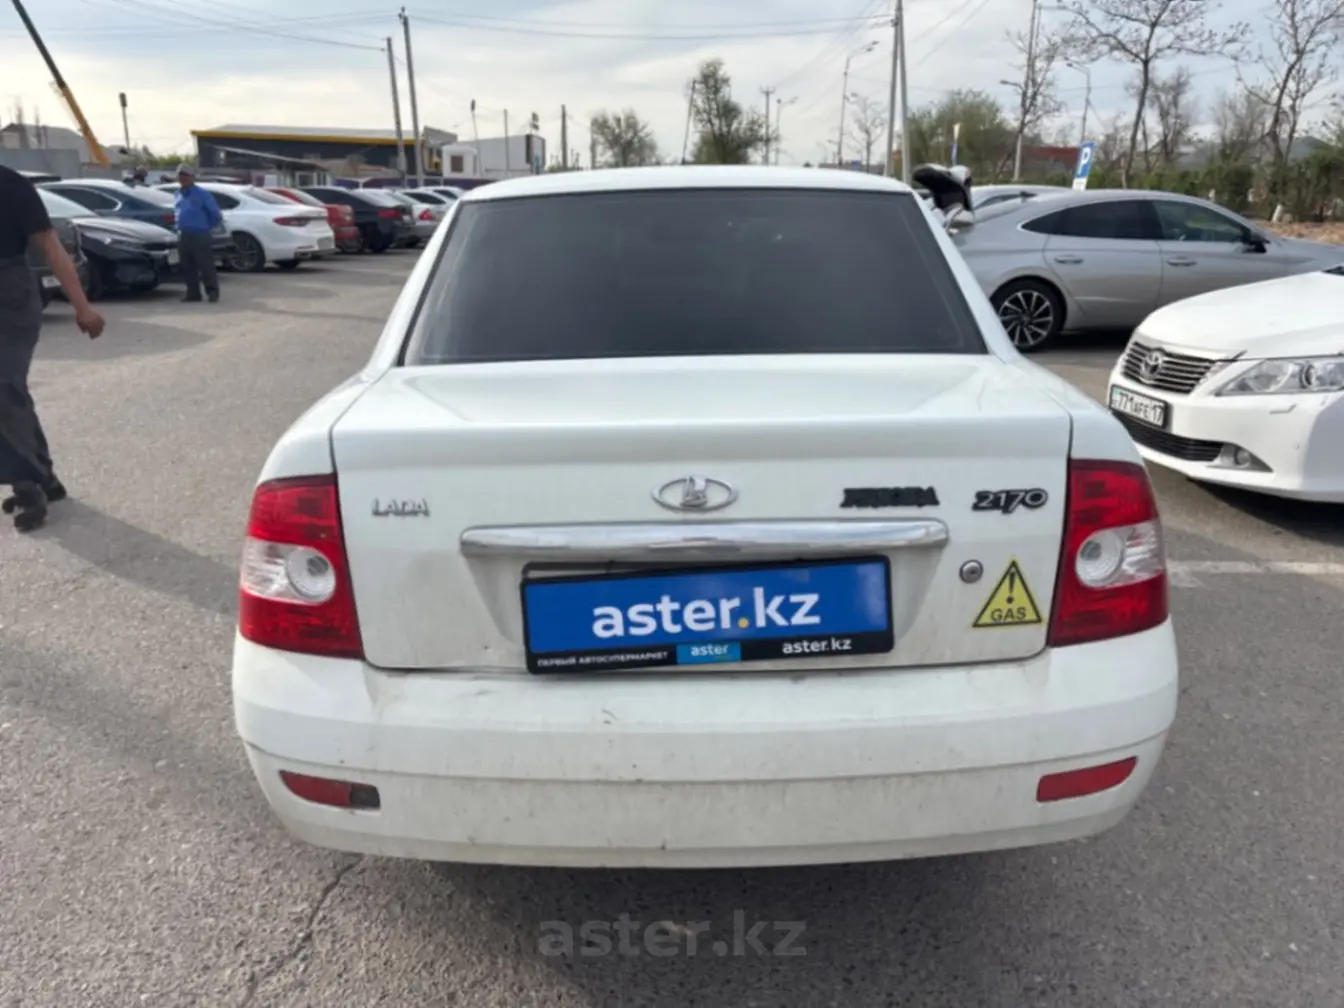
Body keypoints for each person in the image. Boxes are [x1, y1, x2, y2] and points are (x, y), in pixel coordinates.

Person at [0, 164, 105, 532]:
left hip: (10, 296)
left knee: (4, 388)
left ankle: (28, 486)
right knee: (11, 392)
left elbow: (49, 245)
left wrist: (82, 307)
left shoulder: (10, 184)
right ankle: (44, 478)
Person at [173, 163, 222, 304]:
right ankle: (193, 293)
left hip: (200, 235)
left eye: (186, 175)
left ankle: (212, 292)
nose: (183, 178)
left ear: (192, 177)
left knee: (205, 265)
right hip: (183, 235)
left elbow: (215, 215)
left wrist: (205, 227)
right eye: (180, 176)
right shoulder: (177, 194)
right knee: (187, 266)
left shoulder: (202, 194)